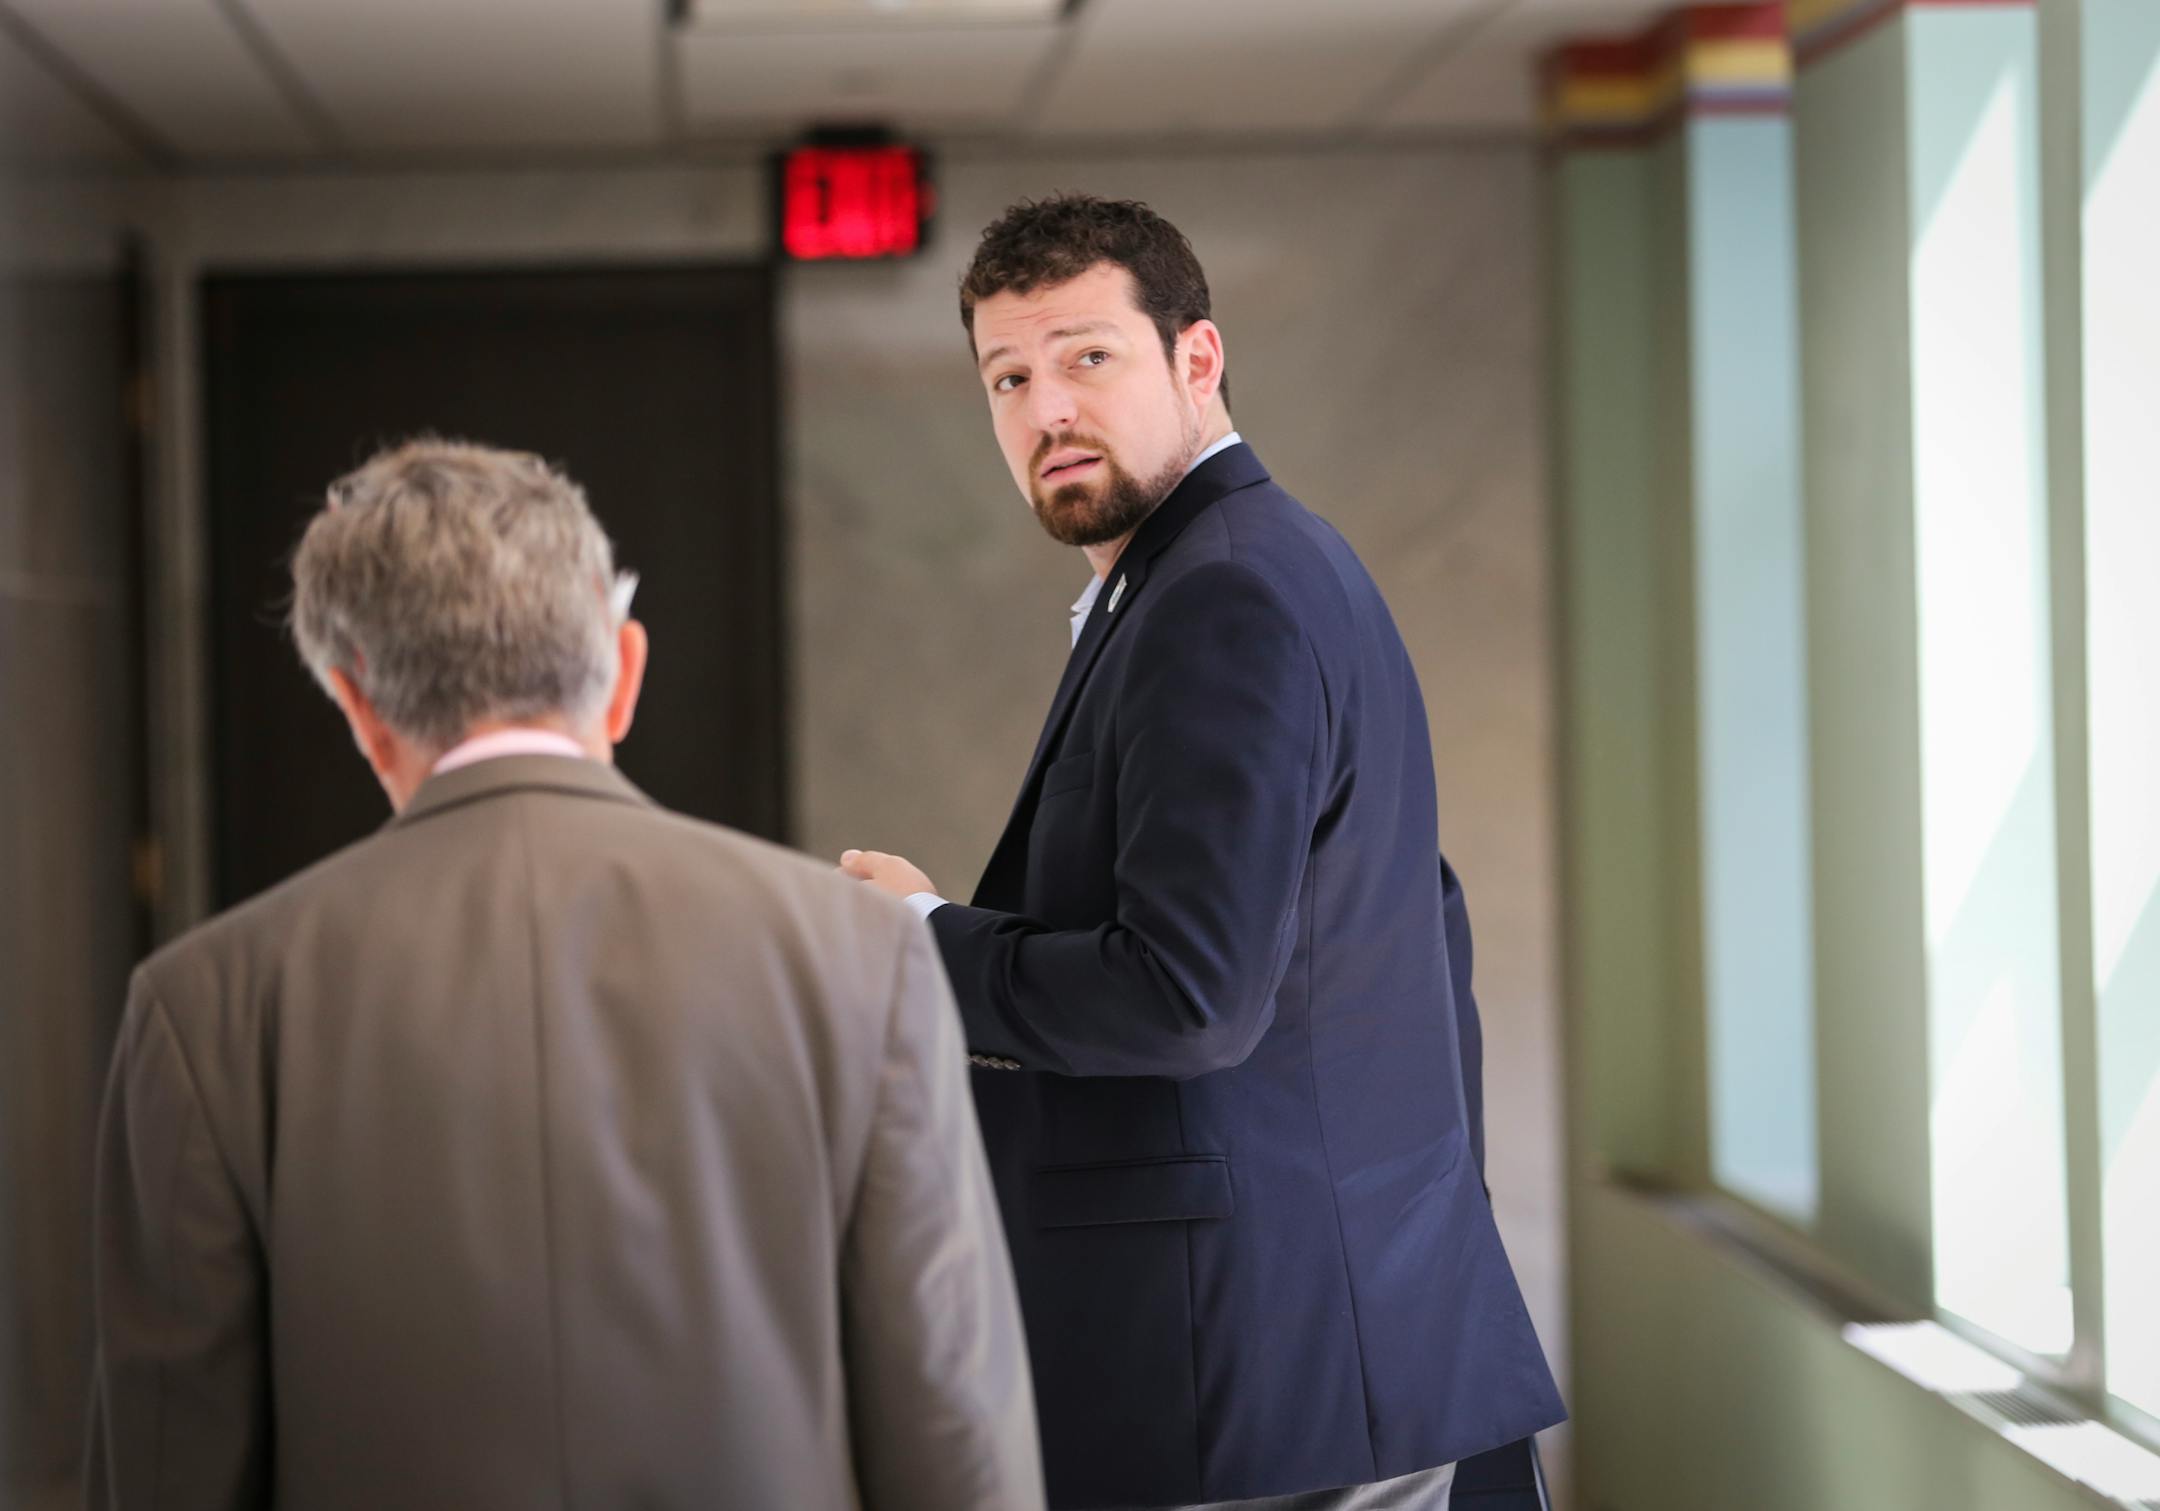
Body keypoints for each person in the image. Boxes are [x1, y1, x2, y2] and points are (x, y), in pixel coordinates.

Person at [85, 439, 1042, 1511]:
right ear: (624, 670)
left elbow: (170, 1463)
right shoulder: (861, 956)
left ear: (357, 705)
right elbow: (950, 1428)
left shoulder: (202, 1007)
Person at [841, 196, 1564, 1510]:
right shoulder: (1246, 568)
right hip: (1332, 1343)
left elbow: (1189, 993)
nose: (1046, 407)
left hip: (1276, 1374)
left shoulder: (1222, 593)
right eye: (1008, 376)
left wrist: (920, 937)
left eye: (1087, 356)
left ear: (1199, 358)